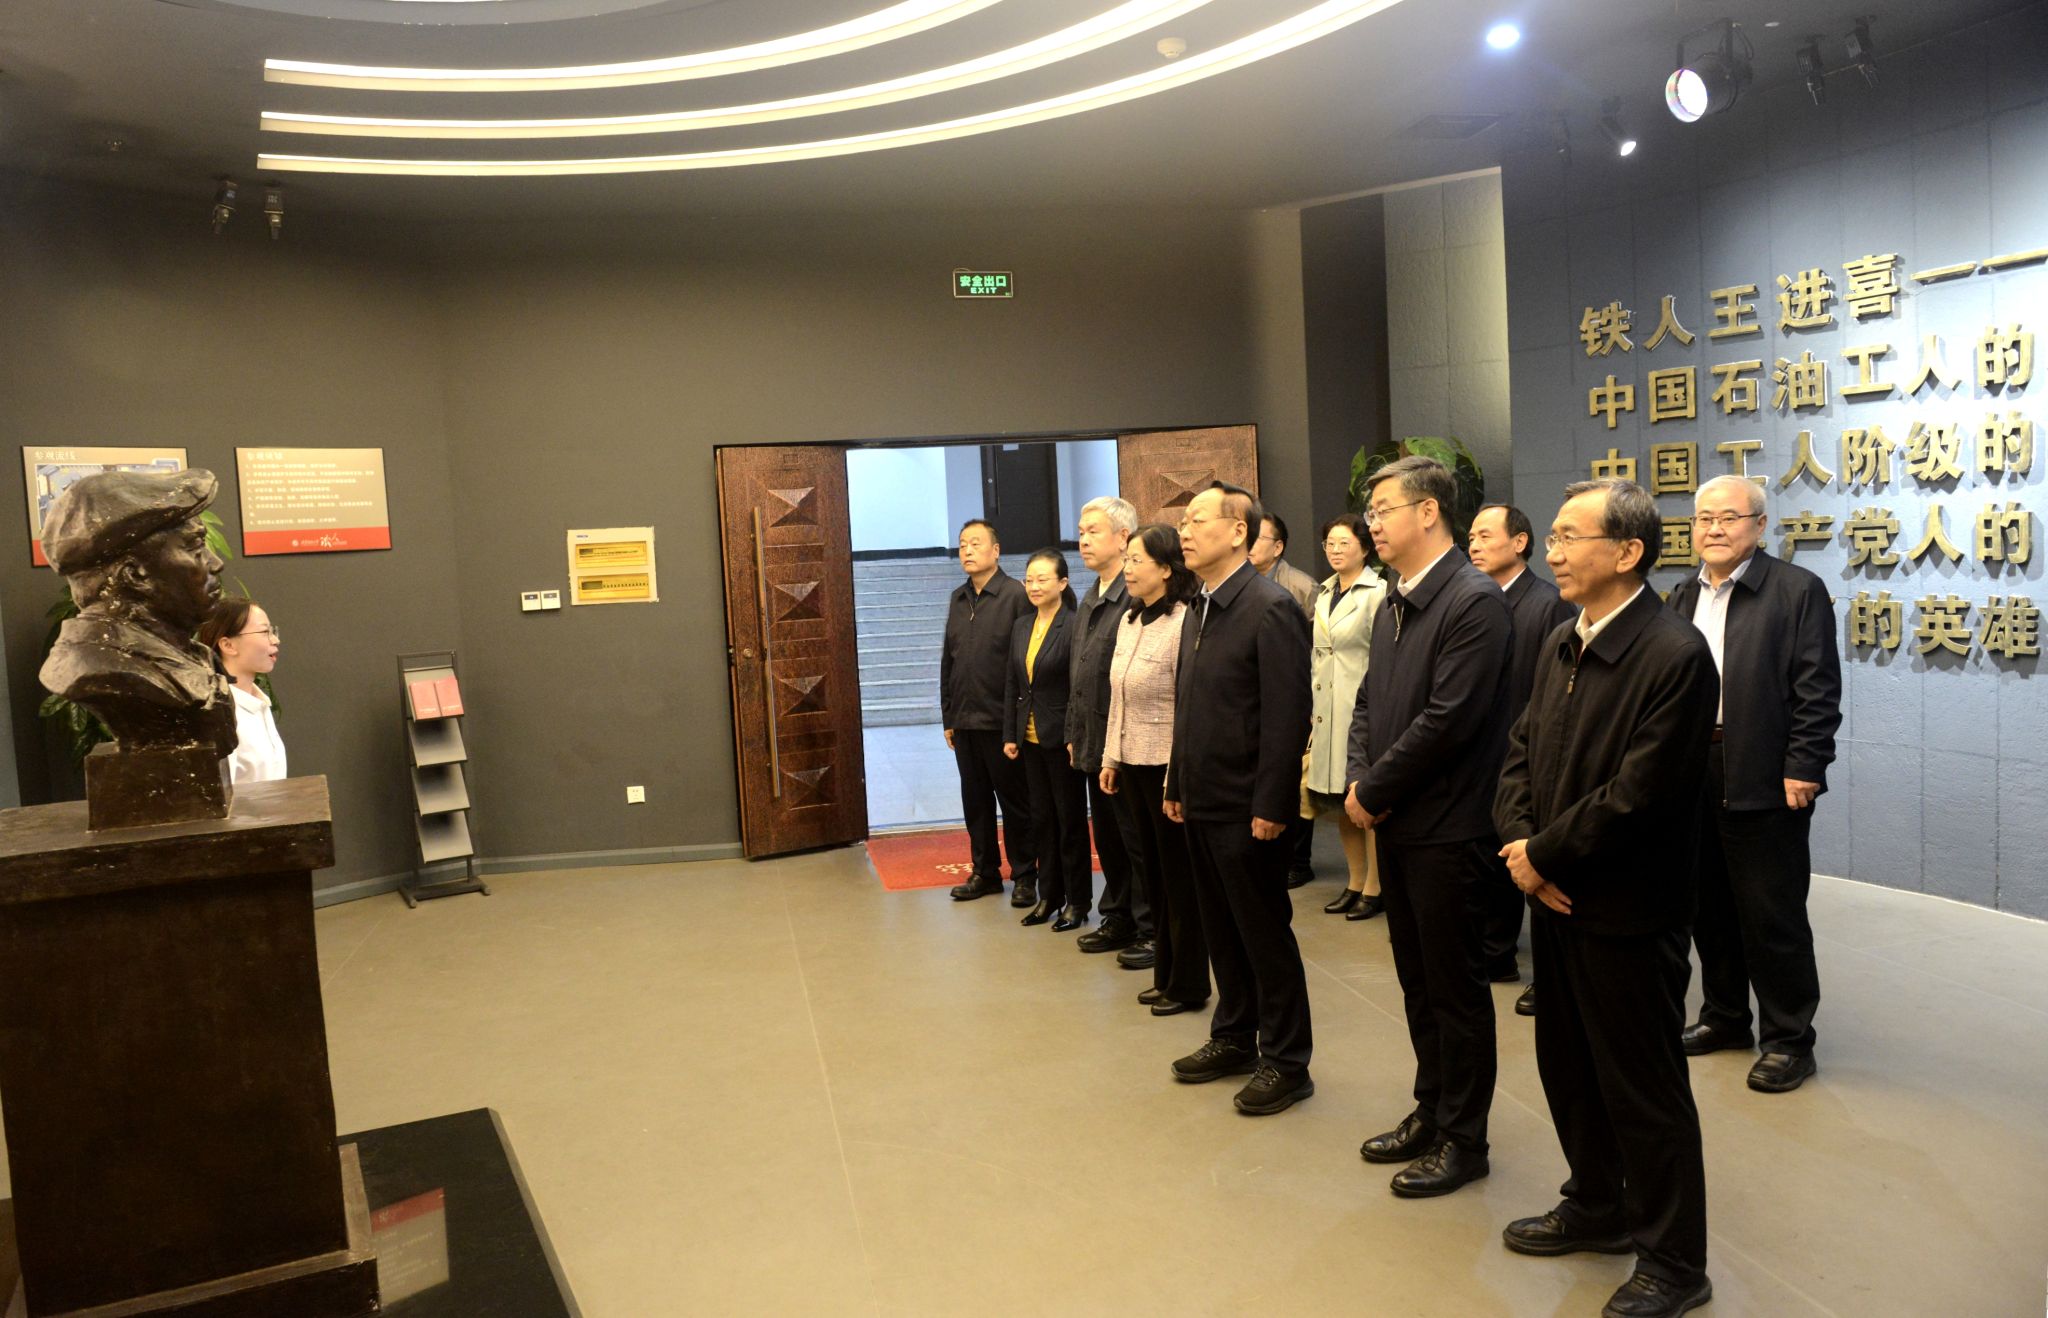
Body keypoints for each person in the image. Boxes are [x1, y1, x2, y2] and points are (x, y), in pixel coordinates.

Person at [1494, 478, 1718, 1318]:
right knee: (1569, 1065)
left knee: (1642, 1088)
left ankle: (1674, 1263)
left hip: (1626, 908)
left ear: (1627, 552)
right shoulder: (1564, 639)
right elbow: (1521, 754)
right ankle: (1597, 1203)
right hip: (1552, 897)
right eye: (1551, 536)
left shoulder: (1674, 655)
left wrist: (1543, 855)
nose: (1552, 551)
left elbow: (1641, 794)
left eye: (1567, 536)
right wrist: (1522, 846)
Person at [1345, 455, 1512, 1199]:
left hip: (1451, 828)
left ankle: (1465, 1140)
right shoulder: (1396, 598)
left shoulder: (1473, 601)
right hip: (1400, 821)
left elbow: (1449, 720)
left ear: (1427, 512)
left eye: (1382, 509)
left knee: (1455, 990)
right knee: (1417, 983)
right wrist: (1360, 779)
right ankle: (1432, 1109)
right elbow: (1369, 705)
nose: (1371, 524)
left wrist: (1374, 790)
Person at [1666, 475, 1842, 1094]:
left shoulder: (1797, 590)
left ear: (1760, 526)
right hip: (1694, 770)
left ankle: (1789, 1040)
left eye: (1729, 518)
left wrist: (1805, 764)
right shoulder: (1682, 594)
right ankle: (1725, 1017)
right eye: (1703, 519)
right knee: (1708, 908)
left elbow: (1817, 689)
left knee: (1772, 914)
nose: (1713, 529)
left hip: (1765, 770)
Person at [1163, 484, 1314, 1116]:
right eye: (1184, 521)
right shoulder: (1199, 606)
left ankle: (1287, 1060)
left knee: (1262, 933)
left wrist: (1273, 804)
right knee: (1221, 927)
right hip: (1202, 797)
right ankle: (1233, 1036)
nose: (1185, 530)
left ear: (1237, 532)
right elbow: (1189, 703)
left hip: (1248, 805)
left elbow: (1287, 715)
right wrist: (1177, 782)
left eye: (1198, 519)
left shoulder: (1269, 607)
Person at [39, 468, 236, 757]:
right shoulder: (105, 670)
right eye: (195, 547)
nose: (216, 563)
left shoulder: (189, 657)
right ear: (134, 575)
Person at [1468, 502, 1578, 1017]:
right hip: (1486, 753)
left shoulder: (1547, 604)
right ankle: (1497, 954)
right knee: (1495, 858)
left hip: (1531, 752)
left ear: (1519, 543)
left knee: (1535, 859)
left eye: (1485, 535)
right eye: (1471, 536)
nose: (1474, 544)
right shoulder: (1478, 602)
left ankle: (1549, 975)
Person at [1100, 524, 1210, 1015]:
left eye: (1136, 560)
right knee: (1155, 877)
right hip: (1132, 764)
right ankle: (1165, 974)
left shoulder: (1184, 621)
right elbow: (1118, 697)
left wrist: (1176, 778)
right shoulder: (1130, 620)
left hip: (1167, 768)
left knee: (1179, 879)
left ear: (1165, 569)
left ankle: (1188, 983)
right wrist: (1111, 757)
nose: (1127, 568)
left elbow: (1187, 705)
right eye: (1126, 559)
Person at [1066, 496, 1156, 960]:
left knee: (1136, 840)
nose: (1082, 540)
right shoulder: (1090, 596)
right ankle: (1117, 916)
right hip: (1093, 740)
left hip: (1125, 744)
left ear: (1124, 538)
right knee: (1109, 839)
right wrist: (1073, 732)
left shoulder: (1134, 598)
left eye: (1093, 531)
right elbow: (1079, 673)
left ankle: (1150, 927)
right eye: (1081, 532)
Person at [941, 519, 1038, 905]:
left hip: (1002, 722)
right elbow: (948, 660)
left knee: (1015, 803)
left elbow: (1024, 663)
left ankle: (1026, 874)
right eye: (962, 544)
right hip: (965, 721)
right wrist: (948, 716)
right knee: (976, 801)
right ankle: (985, 872)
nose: (967, 550)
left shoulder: (1016, 595)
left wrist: (1017, 722)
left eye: (975, 543)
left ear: (995, 551)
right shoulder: (957, 598)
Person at [1302, 514, 1388, 920]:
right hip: (1326, 710)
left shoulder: (1378, 593)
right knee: (1338, 802)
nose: (1335, 551)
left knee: (1363, 799)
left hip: (1361, 708)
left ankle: (1375, 886)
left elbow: (1383, 658)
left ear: (1365, 548)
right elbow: (1318, 656)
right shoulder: (1323, 592)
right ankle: (1354, 881)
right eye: (1330, 544)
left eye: (1344, 543)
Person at [1003, 551, 1090, 931]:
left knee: (1069, 822)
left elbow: (1077, 687)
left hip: (1061, 740)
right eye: (1029, 580)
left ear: (1062, 583)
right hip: (1030, 740)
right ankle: (1049, 896)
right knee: (1041, 820)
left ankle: (1078, 901)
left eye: (1042, 579)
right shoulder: (1022, 625)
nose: (1034, 586)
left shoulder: (1073, 624)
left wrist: (1073, 734)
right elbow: (1013, 683)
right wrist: (1010, 733)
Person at [1252, 512, 1322, 889]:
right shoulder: (1243, 587)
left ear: (1278, 547)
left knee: (1294, 778)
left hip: (1296, 697)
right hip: (1257, 700)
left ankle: (1299, 860)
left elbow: (1315, 651)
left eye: (1259, 538)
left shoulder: (1301, 587)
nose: (1249, 545)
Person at [198, 598, 287, 784]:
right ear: (228, 645)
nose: (275, 640)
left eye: (273, 631)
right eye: (264, 632)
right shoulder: (219, 710)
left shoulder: (259, 704)